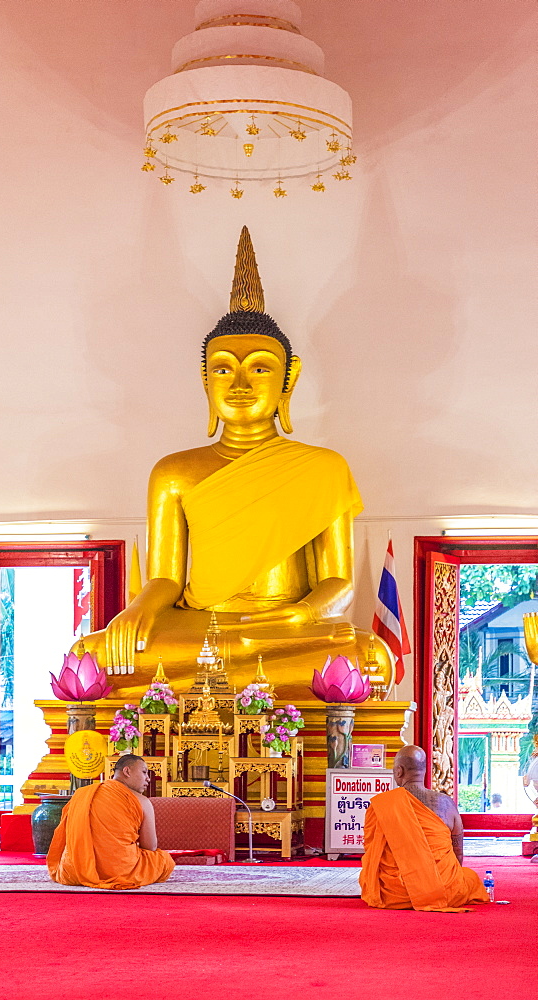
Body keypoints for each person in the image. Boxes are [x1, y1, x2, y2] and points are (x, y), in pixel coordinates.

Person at [74, 228, 393, 701]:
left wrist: (302, 615)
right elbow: (166, 577)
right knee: (92, 653)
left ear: (289, 379)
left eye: (260, 367)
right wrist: (138, 609)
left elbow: (338, 581)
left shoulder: (322, 468)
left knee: (367, 655)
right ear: (206, 380)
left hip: (285, 628)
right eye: (224, 367)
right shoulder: (173, 472)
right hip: (197, 627)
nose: (240, 381)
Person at [359, 745, 489, 911]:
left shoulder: (383, 804)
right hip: (444, 890)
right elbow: (458, 851)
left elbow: (372, 852)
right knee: (469, 877)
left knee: (366, 877)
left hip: (394, 892)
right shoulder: (446, 803)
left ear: (399, 771)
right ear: (425, 771)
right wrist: (448, 879)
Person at [47, 754, 175, 890]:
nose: (148, 778)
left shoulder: (83, 794)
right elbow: (150, 846)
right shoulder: (142, 801)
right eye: (144, 772)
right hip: (120, 870)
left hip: (74, 870)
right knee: (164, 860)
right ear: (127, 771)